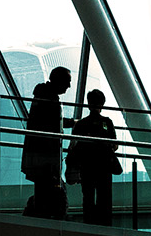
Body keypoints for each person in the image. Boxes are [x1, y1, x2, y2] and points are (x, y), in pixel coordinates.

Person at [22, 67, 74, 220]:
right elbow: (50, 124)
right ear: (59, 81)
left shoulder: (43, 96)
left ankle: (39, 217)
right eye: (67, 82)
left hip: (41, 158)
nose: (69, 86)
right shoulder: (48, 99)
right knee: (51, 193)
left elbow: (48, 122)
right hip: (46, 159)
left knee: (44, 192)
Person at [66, 89, 121, 226]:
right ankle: (105, 225)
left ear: (88, 103)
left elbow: (74, 146)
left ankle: (89, 224)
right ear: (102, 104)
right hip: (104, 166)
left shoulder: (81, 124)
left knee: (88, 197)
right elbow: (115, 145)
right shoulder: (107, 122)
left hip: (87, 166)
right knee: (105, 197)